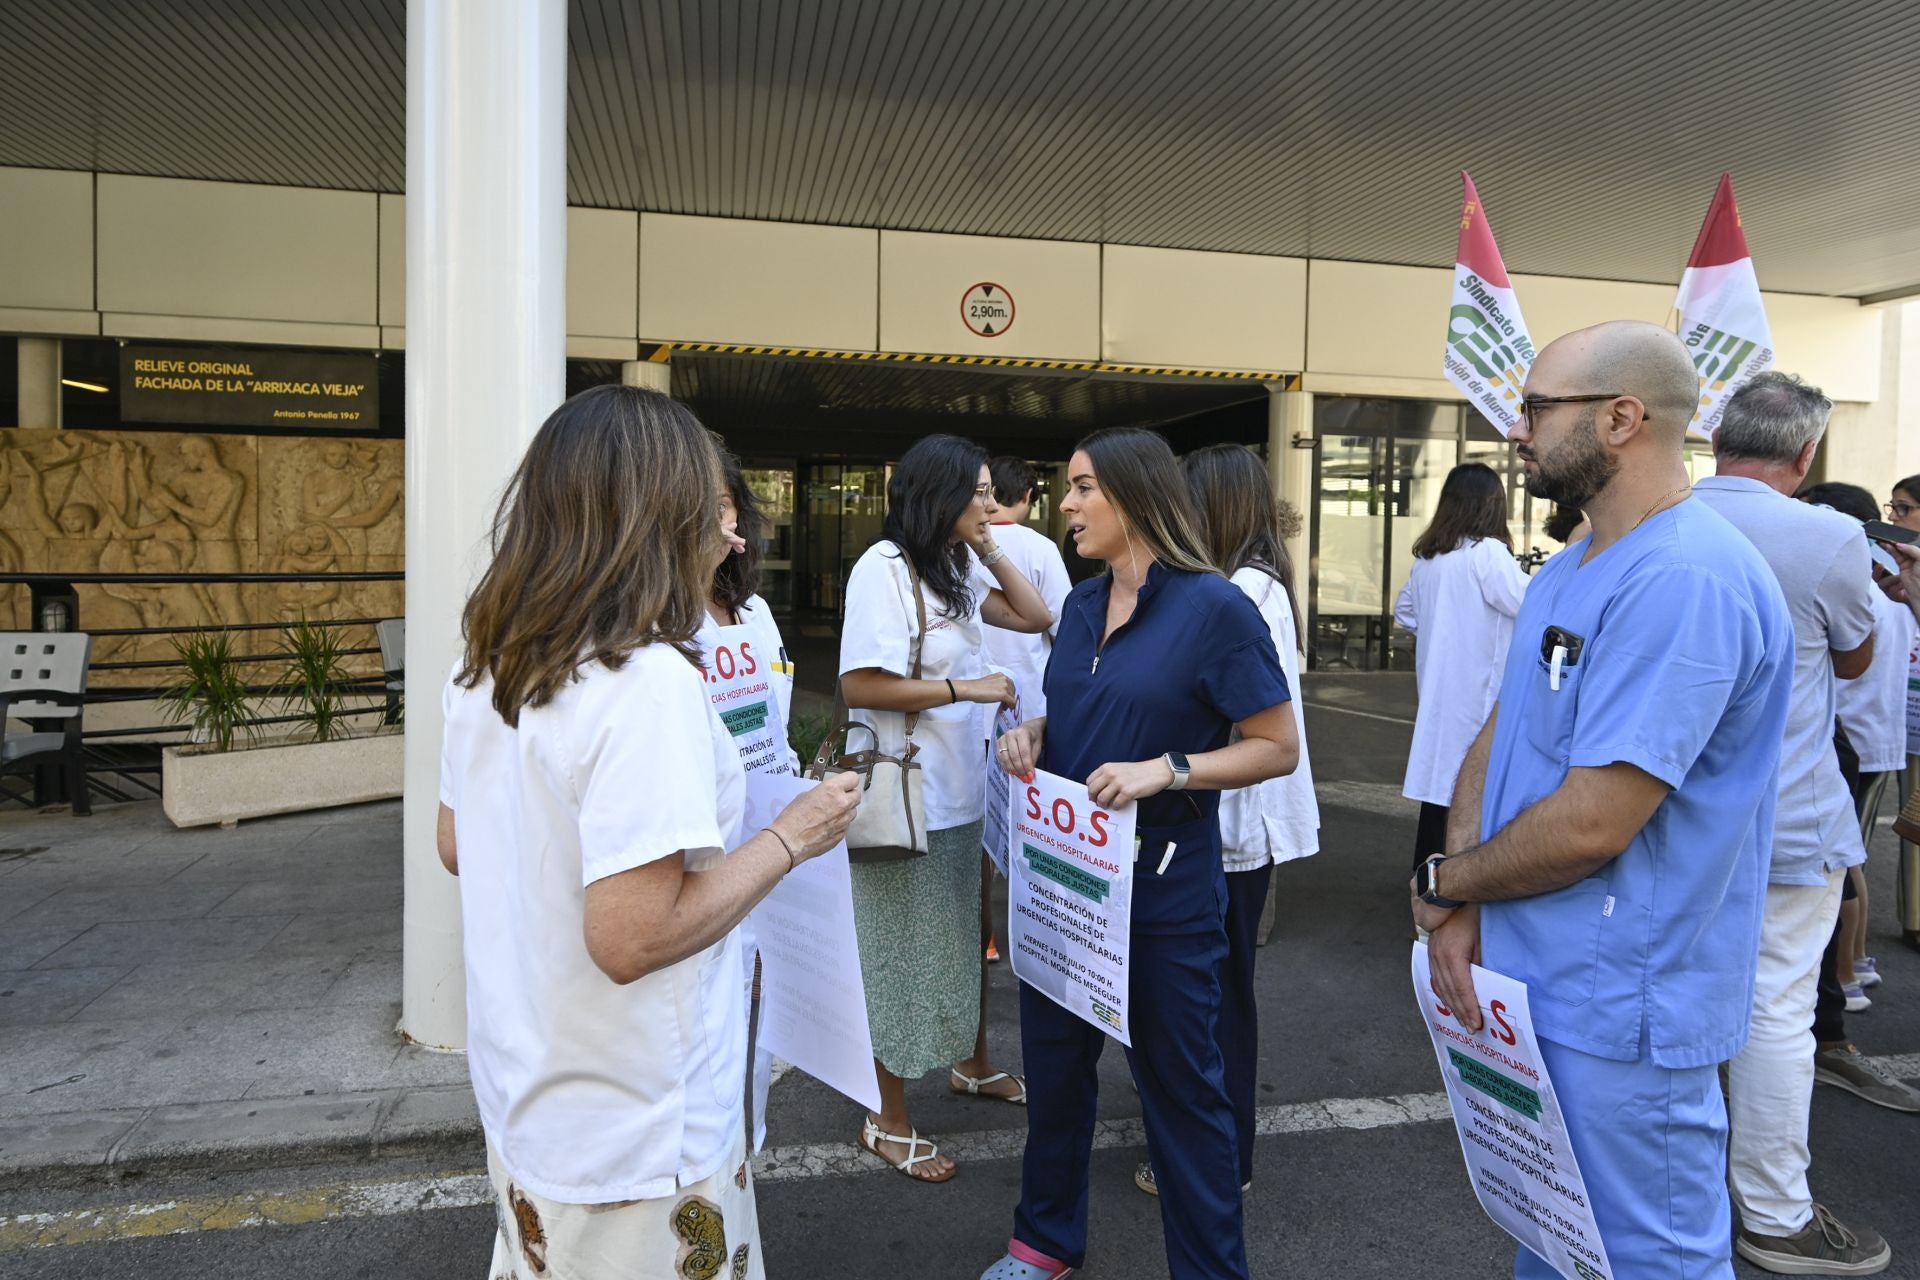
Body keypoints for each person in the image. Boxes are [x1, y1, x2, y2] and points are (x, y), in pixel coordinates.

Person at [435, 385, 860, 1280]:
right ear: (660, 516)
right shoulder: (645, 682)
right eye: (709, 506)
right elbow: (631, 937)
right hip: (639, 1118)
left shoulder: (491, 659)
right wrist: (791, 837)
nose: (727, 531)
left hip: (529, 1089)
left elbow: (455, 842)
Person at [1417, 321, 1796, 1279]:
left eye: (1539, 408)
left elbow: (1594, 822)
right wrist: (1464, 899)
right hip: (1542, 979)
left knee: (1648, 1259)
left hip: (1627, 1002)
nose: (1519, 431)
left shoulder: (1686, 578)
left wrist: (1447, 874)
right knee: (1556, 1242)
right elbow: (1502, 732)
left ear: (1622, 418)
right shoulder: (1580, 559)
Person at [983, 427, 1299, 1280]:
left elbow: (1277, 746)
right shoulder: (1083, 605)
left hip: (1161, 896)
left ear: (1134, 496)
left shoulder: (1215, 608)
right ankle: (1044, 1241)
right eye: (1067, 487)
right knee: (1055, 1072)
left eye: (1084, 488)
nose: (1066, 504)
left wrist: (1173, 770)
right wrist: (1038, 736)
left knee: (1183, 1097)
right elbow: (1087, 711)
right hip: (1067, 885)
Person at [1690, 372, 1894, 1273]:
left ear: (1719, 438)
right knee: (1775, 1011)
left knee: (1680, 998)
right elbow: (1855, 659)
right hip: (1788, 813)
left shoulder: (1659, 518)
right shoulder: (1828, 535)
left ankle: (1673, 1195)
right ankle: (1774, 1215)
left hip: (1664, 814)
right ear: (1806, 455)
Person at [838, 434, 1054, 1182]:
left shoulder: (955, 564)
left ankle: (972, 1064)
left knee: (968, 936)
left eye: (993, 491)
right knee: (897, 953)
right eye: (979, 492)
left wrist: (989, 544)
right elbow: (860, 685)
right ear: (942, 493)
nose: (990, 503)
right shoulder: (884, 570)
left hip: (965, 794)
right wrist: (968, 690)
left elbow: (1033, 614)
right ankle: (885, 1117)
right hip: (906, 796)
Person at [1125, 442, 1320, 1199]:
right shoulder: (1252, 583)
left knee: (1217, 1001)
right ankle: (1212, 1146)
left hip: (1235, 823)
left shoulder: (1241, 591)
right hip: (1228, 821)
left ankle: (1219, 1158)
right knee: (1216, 994)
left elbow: (1251, 727)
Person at [698, 442, 804, 1152]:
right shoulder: (661, 626)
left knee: (756, 1026)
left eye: (726, 504)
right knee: (715, 1023)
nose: (718, 520)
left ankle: (744, 1163)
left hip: (769, 835)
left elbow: (775, 720)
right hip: (704, 855)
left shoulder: (755, 613)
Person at [1800, 482, 1914, 1012]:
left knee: (1843, 867)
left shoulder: (1867, 593)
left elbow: (1852, 667)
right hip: (1866, 740)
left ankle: (1846, 970)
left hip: (1859, 742)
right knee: (1850, 862)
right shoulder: (1883, 592)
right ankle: (1856, 960)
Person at [1394, 462, 1530, 868]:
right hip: (1480, 702)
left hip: (1438, 700)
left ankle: (1426, 903)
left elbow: (1405, 611)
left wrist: (1445, 629)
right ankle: (1455, 902)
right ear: (1493, 505)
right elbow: (1532, 604)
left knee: (1439, 806)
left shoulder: (1430, 560)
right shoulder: (1487, 554)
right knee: (1472, 807)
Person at [972, 457, 1072, 967]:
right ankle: (1033, 936)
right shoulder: (1041, 549)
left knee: (975, 830)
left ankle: (982, 934)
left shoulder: (957, 551)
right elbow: (1064, 631)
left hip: (970, 720)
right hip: (1026, 719)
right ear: (1029, 495)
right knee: (1027, 830)